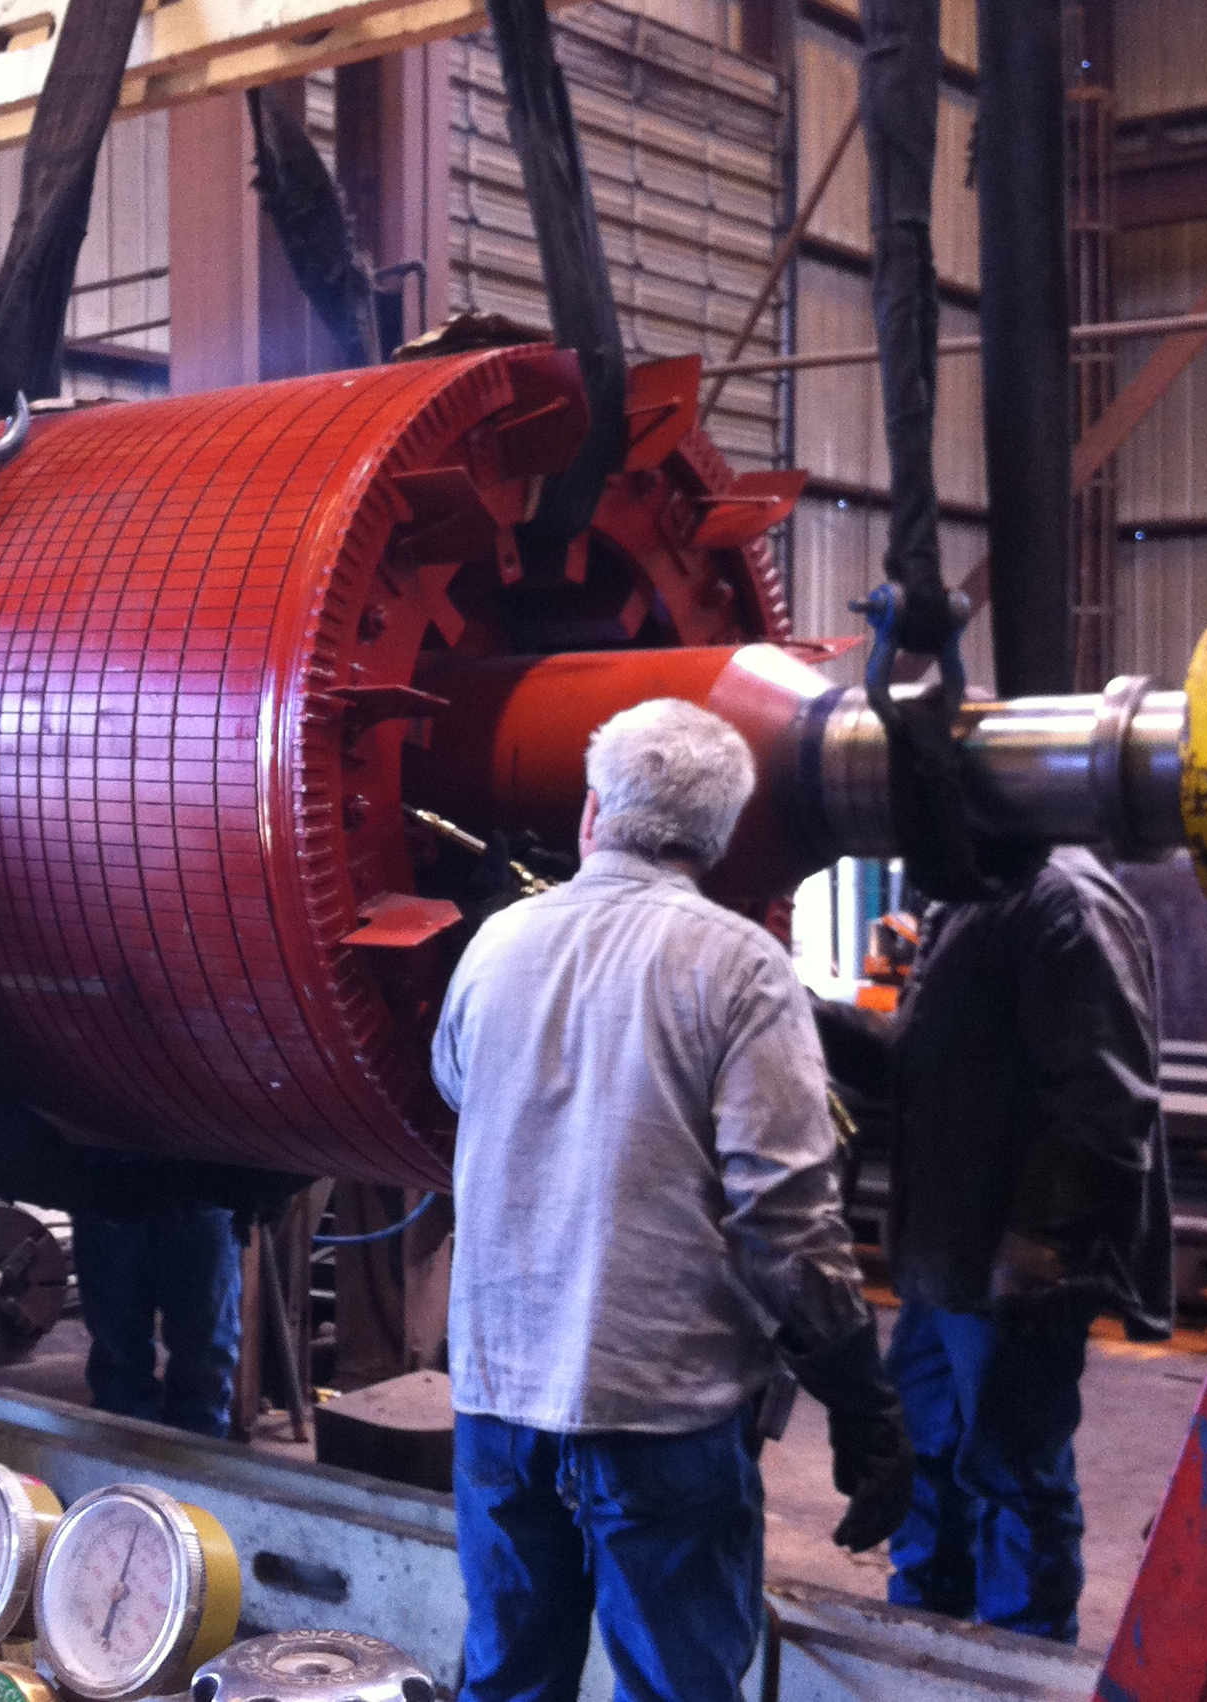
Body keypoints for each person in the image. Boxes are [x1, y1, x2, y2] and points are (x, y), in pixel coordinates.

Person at [431, 698, 914, 1702]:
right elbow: (785, 1221)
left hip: (498, 1395)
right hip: (661, 1411)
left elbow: (456, 1083)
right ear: (719, 837)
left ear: (590, 812)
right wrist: (861, 1404)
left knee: (508, 1683)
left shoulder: (497, 942)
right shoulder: (740, 967)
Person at [818, 846, 1173, 1643]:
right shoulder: (970, 898)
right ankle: (919, 1651)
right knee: (926, 1465)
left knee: (1012, 1479)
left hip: (1010, 1276)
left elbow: (1108, 1103)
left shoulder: (1066, 904)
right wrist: (803, 1012)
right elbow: (916, 1060)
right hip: (945, 1261)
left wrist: (1039, 1250)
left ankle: (1021, 1661)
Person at [71, 1196, 243, 1438]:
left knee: (204, 1357)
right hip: (111, 1185)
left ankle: (191, 1456)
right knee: (119, 1353)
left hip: (207, 1187)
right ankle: (126, 1453)